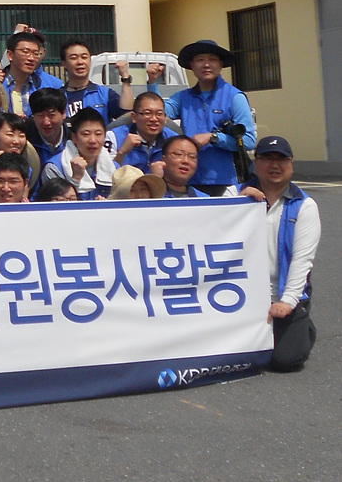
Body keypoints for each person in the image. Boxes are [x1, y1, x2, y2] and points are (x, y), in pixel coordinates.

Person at [239, 135, 319, 372]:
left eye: (281, 159)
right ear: (255, 162)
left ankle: (303, 325)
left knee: (285, 360)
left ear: (291, 164)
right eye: (267, 158)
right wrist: (234, 205)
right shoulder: (235, 194)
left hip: (281, 295)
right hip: (242, 295)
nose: (275, 166)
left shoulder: (304, 206)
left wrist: (288, 301)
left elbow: (302, 260)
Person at [156, 40, 256, 196]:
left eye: (212, 59)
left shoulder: (235, 97)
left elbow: (249, 140)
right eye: (200, 59)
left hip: (226, 183)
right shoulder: (183, 97)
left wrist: (214, 137)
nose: (206, 64)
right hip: (189, 182)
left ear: (221, 64)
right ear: (192, 65)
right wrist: (152, 82)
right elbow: (158, 113)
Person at [41, 107, 113, 200]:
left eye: (98, 134)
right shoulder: (54, 168)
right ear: (74, 137)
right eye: (86, 134)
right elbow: (55, 207)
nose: (93, 140)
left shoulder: (113, 167)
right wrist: (75, 179)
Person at [60, 40, 131, 120]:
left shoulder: (105, 94)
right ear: (64, 64)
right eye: (73, 58)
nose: (80, 62)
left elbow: (127, 116)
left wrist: (125, 78)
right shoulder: (58, 97)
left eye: (84, 57)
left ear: (90, 61)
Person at [2, 29, 63, 116]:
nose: (31, 58)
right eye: (25, 52)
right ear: (10, 55)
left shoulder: (52, 86)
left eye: (35, 53)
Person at [113, 92, 176, 171]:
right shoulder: (114, 137)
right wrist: (122, 153)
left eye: (159, 114)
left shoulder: (174, 141)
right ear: (134, 117)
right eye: (147, 113)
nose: (154, 119)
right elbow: (106, 174)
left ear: (165, 118)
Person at [27, 88, 70, 169]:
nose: (46, 122)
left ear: (64, 113)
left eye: (51, 115)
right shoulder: (25, 135)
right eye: (40, 115)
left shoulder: (75, 134)